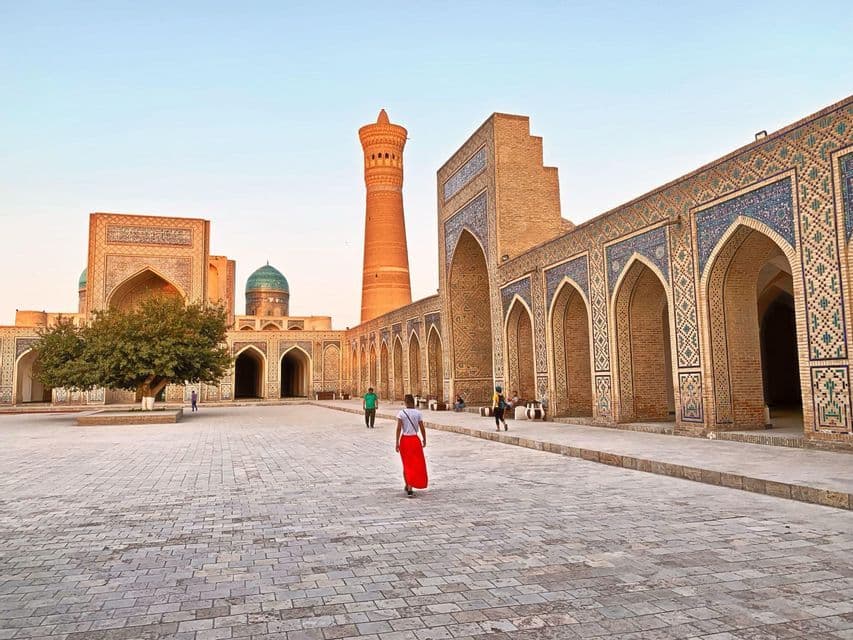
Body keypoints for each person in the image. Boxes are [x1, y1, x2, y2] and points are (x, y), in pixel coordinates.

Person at [395, 394, 428, 497]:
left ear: (405, 402)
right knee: (415, 464)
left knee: (407, 464)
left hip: (405, 440)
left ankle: (408, 486)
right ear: (413, 402)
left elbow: (399, 428)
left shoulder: (401, 413)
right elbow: (422, 428)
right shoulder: (418, 413)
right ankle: (409, 484)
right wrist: (424, 439)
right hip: (415, 440)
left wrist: (397, 442)